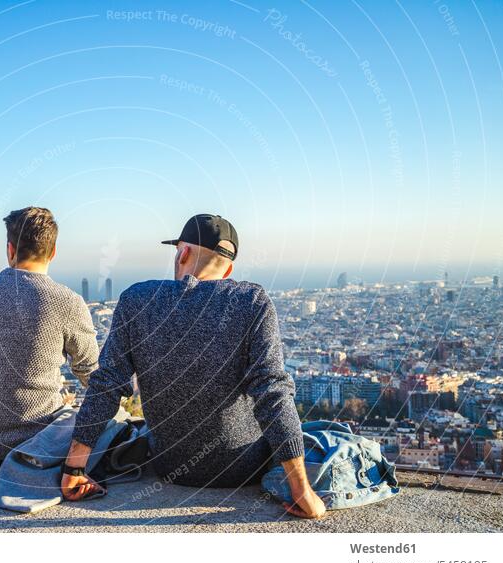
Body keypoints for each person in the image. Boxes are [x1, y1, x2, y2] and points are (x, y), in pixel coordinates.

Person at [60, 214, 326, 519]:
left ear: (183, 252)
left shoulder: (137, 300)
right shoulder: (251, 302)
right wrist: (302, 491)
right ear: (228, 269)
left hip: (169, 466)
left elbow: (107, 382)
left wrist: (74, 467)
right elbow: (272, 392)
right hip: (242, 468)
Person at [0, 207, 99, 465]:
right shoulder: (66, 302)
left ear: (10, 249)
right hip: (39, 444)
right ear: (53, 252)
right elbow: (92, 374)